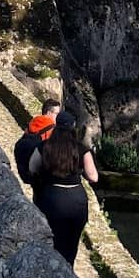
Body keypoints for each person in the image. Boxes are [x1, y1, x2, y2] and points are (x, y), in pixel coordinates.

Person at [28, 111, 98, 266]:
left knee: (52, 240)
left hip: (51, 198)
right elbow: (94, 177)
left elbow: (32, 168)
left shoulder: (44, 147)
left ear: (56, 126)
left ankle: (50, 271)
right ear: (73, 127)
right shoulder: (82, 149)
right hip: (76, 200)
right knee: (71, 244)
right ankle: (68, 269)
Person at [14, 101, 60, 189]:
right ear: (49, 113)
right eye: (57, 114)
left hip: (26, 164)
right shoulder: (52, 128)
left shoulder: (33, 121)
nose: (58, 117)